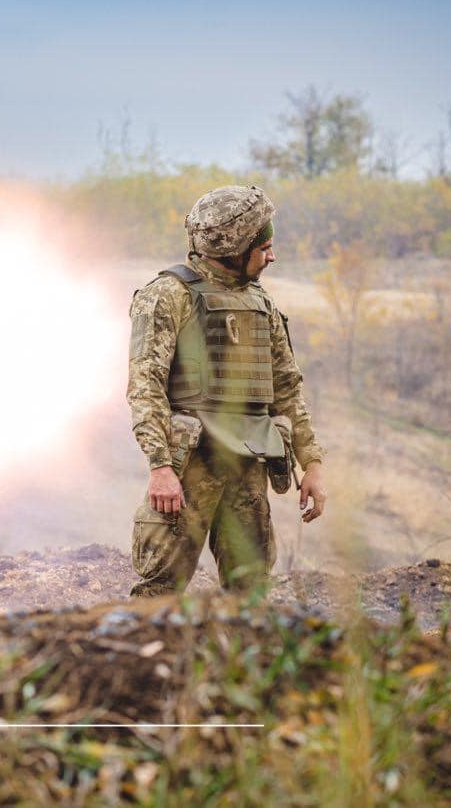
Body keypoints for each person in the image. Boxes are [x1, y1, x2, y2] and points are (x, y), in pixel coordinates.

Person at [128, 185, 327, 596]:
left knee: (251, 593)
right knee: (159, 592)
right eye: (265, 247)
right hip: (190, 470)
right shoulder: (168, 296)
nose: (271, 256)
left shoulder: (261, 302)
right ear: (235, 246)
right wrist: (161, 468)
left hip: (247, 466)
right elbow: (145, 387)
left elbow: (287, 388)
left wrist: (312, 463)